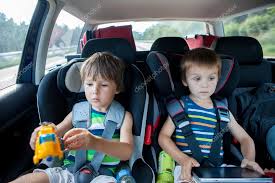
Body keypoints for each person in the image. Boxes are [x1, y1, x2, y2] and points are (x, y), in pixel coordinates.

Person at [11, 52, 134, 183]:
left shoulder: (123, 117)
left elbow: (126, 152)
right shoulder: (77, 112)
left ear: (117, 88)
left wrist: (95, 142)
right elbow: (57, 131)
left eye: (104, 85)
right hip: (69, 171)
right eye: (89, 84)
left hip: (103, 176)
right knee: (31, 179)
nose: (95, 91)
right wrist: (42, 136)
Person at [158, 48, 264, 183]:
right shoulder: (180, 107)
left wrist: (249, 160)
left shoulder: (223, 110)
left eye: (211, 78)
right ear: (185, 81)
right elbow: (163, 137)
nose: (205, 84)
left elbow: (245, 138)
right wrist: (182, 159)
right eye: (197, 78)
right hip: (186, 169)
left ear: (218, 79)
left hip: (218, 170)